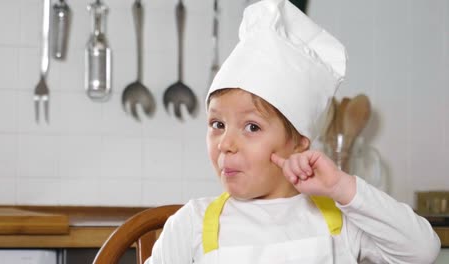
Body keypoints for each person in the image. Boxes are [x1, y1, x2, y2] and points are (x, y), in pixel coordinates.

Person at [145, 0, 441, 263]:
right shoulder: (190, 224)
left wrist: (341, 187)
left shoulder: (340, 221)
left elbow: (422, 252)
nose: (226, 144)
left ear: (299, 144)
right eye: (217, 125)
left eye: (252, 127)